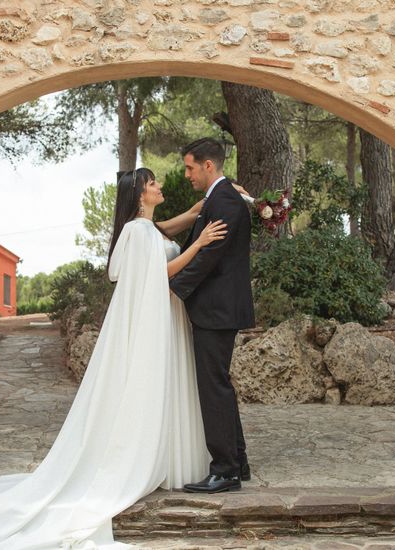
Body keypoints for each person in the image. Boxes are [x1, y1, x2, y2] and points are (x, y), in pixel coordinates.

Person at [0, 168, 227, 549]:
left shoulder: (142, 229)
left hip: (160, 317)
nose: (159, 186)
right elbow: (161, 271)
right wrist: (200, 243)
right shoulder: (140, 231)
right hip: (156, 317)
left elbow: (160, 231)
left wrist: (199, 210)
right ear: (139, 194)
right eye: (152, 183)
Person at [170, 138, 256, 494]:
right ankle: (238, 460)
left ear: (209, 166)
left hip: (216, 310)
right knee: (219, 384)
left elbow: (208, 259)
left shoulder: (225, 202)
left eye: (191, 167)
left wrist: (169, 286)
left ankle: (225, 471)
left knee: (213, 388)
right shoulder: (219, 199)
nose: (187, 174)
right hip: (218, 308)